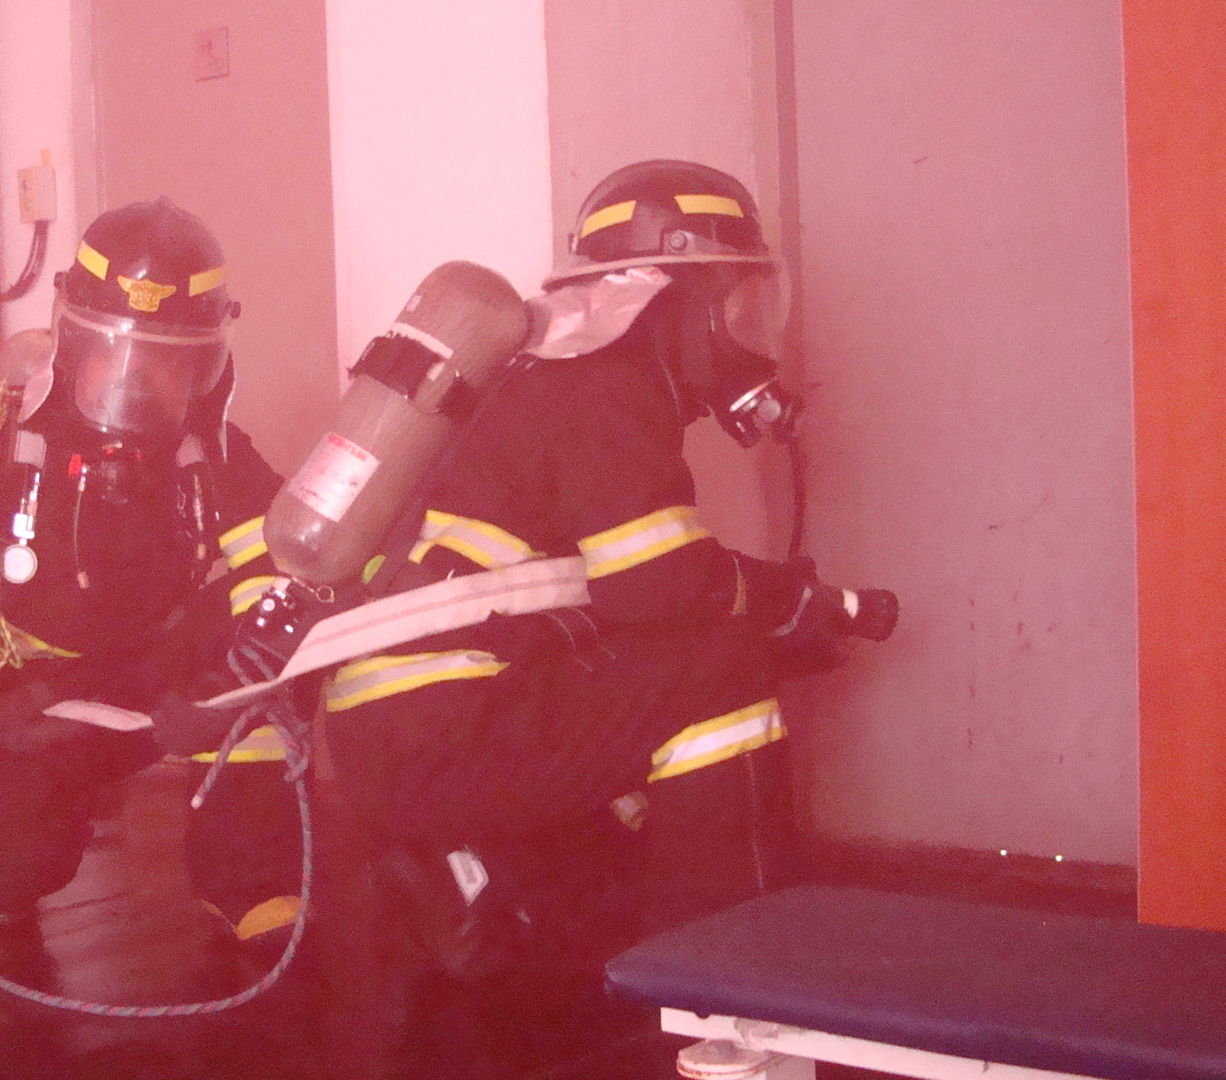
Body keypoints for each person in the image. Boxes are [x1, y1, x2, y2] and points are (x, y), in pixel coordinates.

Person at [310, 160, 895, 1078]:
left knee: (652, 688)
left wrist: (779, 605)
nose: (748, 338)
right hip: (449, 724)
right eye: (734, 308)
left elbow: (622, 604)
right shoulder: (607, 386)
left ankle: (474, 876)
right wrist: (793, 607)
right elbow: (666, 586)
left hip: (398, 730)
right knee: (724, 672)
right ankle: (732, 1000)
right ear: (668, 302)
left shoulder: (540, 375)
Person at [0, 199, 300, 970]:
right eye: (113, 353)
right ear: (69, 344)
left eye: (165, 360)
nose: (134, 381)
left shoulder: (221, 462)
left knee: (263, 687)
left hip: (164, 692)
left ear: (202, 368)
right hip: (27, 704)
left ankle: (252, 880)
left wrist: (229, 688)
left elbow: (281, 583)